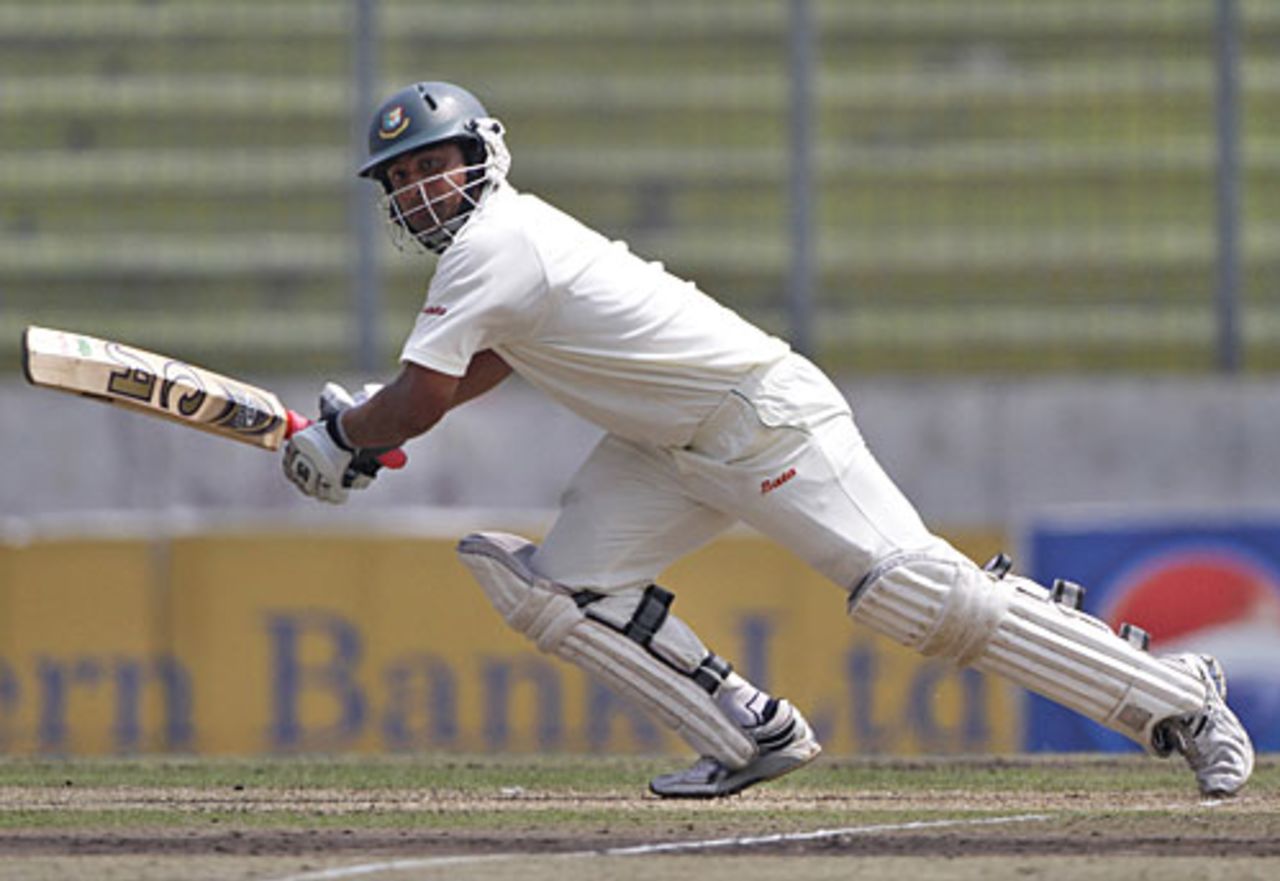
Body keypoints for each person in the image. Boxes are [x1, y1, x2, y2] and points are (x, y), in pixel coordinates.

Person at [283, 81, 1254, 799]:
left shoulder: (493, 241)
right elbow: (473, 366)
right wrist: (361, 430)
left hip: (761, 417)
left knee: (909, 592)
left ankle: (1177, 695)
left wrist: (342, 437)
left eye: (431, 164)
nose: (416, 188)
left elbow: (418, 397)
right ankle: (748, 730)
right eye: (400, 177)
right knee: (557, 589)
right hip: (662, 446)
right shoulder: (493, 254)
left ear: (481, 154)